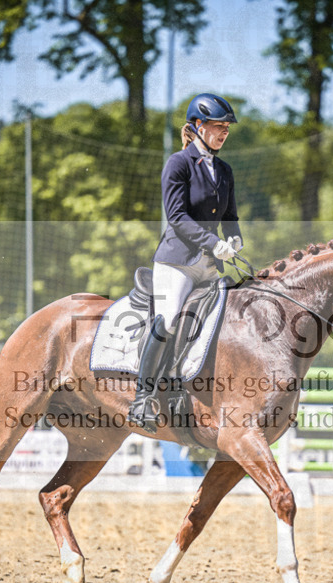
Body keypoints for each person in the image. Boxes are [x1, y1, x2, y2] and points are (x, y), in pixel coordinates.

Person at [128, 93, 244, 432]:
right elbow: (176, 217)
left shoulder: (224, 169)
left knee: (227, 319)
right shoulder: (178, 163)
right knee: (170, 319)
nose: (224, 132)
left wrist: (234, 239)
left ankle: (188, 390)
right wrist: (213, 243)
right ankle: (142, 397)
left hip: (210, 265)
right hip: (177, 262)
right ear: (197, 126)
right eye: (218, 126)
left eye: (226, 128)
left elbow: (231, 216)